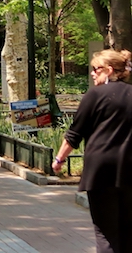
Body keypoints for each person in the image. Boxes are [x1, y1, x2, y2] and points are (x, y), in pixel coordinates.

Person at [52, 49, 132, 253]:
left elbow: (74, 133)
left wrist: (59, 159)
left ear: (109, 70)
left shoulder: (95, 95)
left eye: (96, 69)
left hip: (101, 171)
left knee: (105, 232)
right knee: (127, 231)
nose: (92, 73)